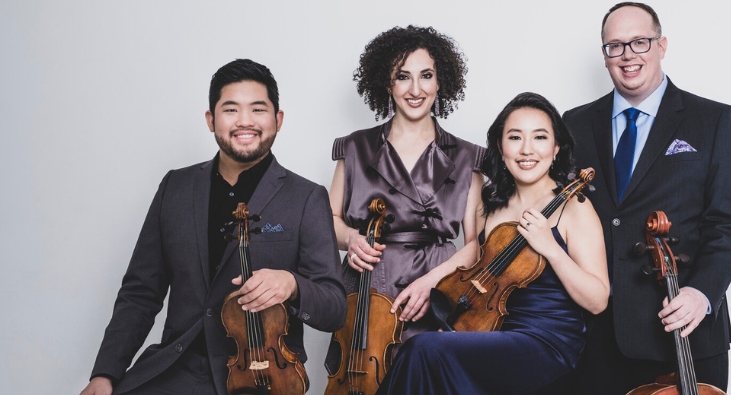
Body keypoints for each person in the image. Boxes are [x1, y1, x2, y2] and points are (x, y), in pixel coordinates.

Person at [80, 59, 347, 395]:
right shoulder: (175, 187)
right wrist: (105, 374)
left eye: (258, 109)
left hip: (260, 379)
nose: (245, 121)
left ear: (278, 120)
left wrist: (292, 284)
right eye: (231, 109)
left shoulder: (306, 197)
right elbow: (140, 292)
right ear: (211, 120)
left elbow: (335, 307)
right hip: (175, 371)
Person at [562, 2, 731, 394]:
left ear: (662, 45)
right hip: (597, 336)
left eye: (640, 42)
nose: (628, 55)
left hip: (684, 330)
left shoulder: (712, 119)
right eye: (615, 46)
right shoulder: (575, 123)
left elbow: (729, 223)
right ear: (604, 56)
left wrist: (702, 293)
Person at [376, 92, 609, 395]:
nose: (527, 150)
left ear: (556, 148)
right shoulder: (490, 204)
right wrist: (428, 283)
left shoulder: (574, 207)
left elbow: (598, 300)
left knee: (424, 349)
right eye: (515, 137)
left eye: (539, 137)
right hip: (491, 329)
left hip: (549, 343)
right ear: (501, 146)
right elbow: (476, 253)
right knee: (428, 354)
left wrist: (549, 247)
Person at [326, 25, 485, 346]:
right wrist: (352, 238)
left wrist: (432, 283)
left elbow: (477, 245)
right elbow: (329, 222)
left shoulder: (469, 157)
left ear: (440, 82)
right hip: (368, 287)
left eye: (426, 75)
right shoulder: (354, 148)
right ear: (388, 83)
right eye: (403, 76)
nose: (416, 89)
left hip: (438, 291)